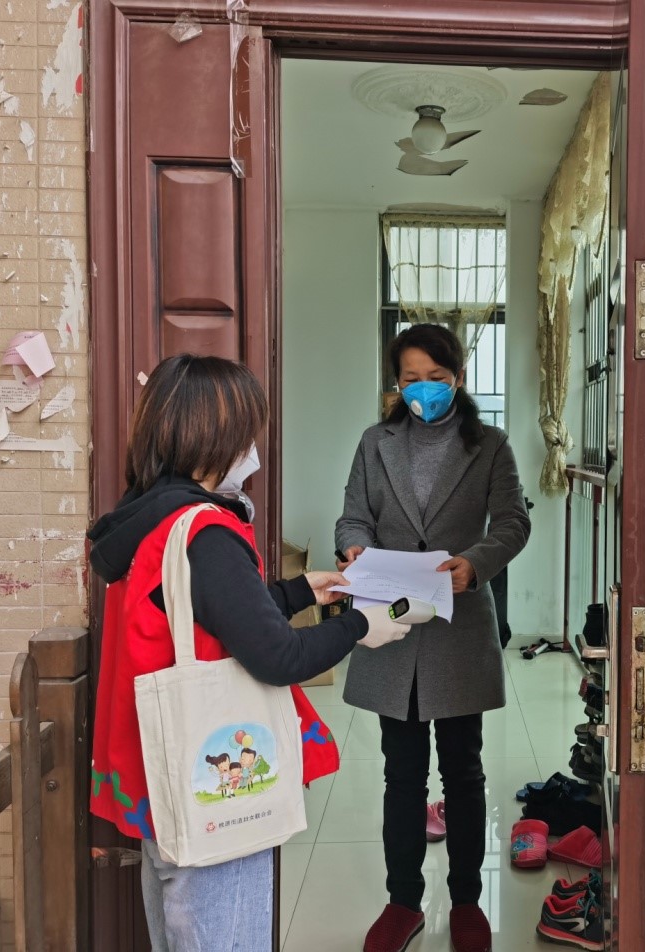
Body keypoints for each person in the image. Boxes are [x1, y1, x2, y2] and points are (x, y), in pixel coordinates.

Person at [88, 354, 411, 952]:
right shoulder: (205, 531)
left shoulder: (150, 519)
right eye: (246, 433)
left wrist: (297, 591)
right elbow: (278, 657)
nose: (252, 450)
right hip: (216, 809)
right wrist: (359, 626)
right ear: (214, 436)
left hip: (166, 788)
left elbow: (205, 612)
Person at [336, 324, 532, 952]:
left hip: (457, 625)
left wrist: (476, 563)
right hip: (391, 623)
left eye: (435, 379)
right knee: (401, 776)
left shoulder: (491, 445)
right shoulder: (376, 443)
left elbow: (513, 522)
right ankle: (403, 902)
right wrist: (353, 547)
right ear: (396, 384)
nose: (422, 390)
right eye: (410, 380)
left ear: (459, 378)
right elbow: (353, 516)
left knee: (463, 772)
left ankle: (468, 901)